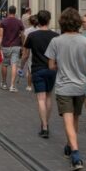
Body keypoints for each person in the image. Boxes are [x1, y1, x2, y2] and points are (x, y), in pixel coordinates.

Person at [46, 8, 86, 171]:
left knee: (68, 120)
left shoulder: (56, 41)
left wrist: (64, 65)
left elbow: (51, 66)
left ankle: (75, 154)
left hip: (64, 86)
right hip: (81, 85)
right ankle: (70, 144)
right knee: (75, 118)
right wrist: (80, 65)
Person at [22, 10, 58, 138]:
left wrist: (22, 66)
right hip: (52, 69)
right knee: (49, 97)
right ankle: (46, 122)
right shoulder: (55, 35)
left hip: (37, 69)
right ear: (49, 20)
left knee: (40, 99)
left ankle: (44, 126)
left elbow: (25, 54)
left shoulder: (32, 35)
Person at [0, 6, 25, 92]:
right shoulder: (19, 22)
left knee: (4, 64)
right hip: (16, 46)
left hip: (5, 46)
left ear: (8, 12)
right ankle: (12, 85)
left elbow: (0, 35)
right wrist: (23, 45)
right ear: (15, 12)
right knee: (14, 64)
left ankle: (4, 83)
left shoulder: (3, 22)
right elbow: (22, 35)